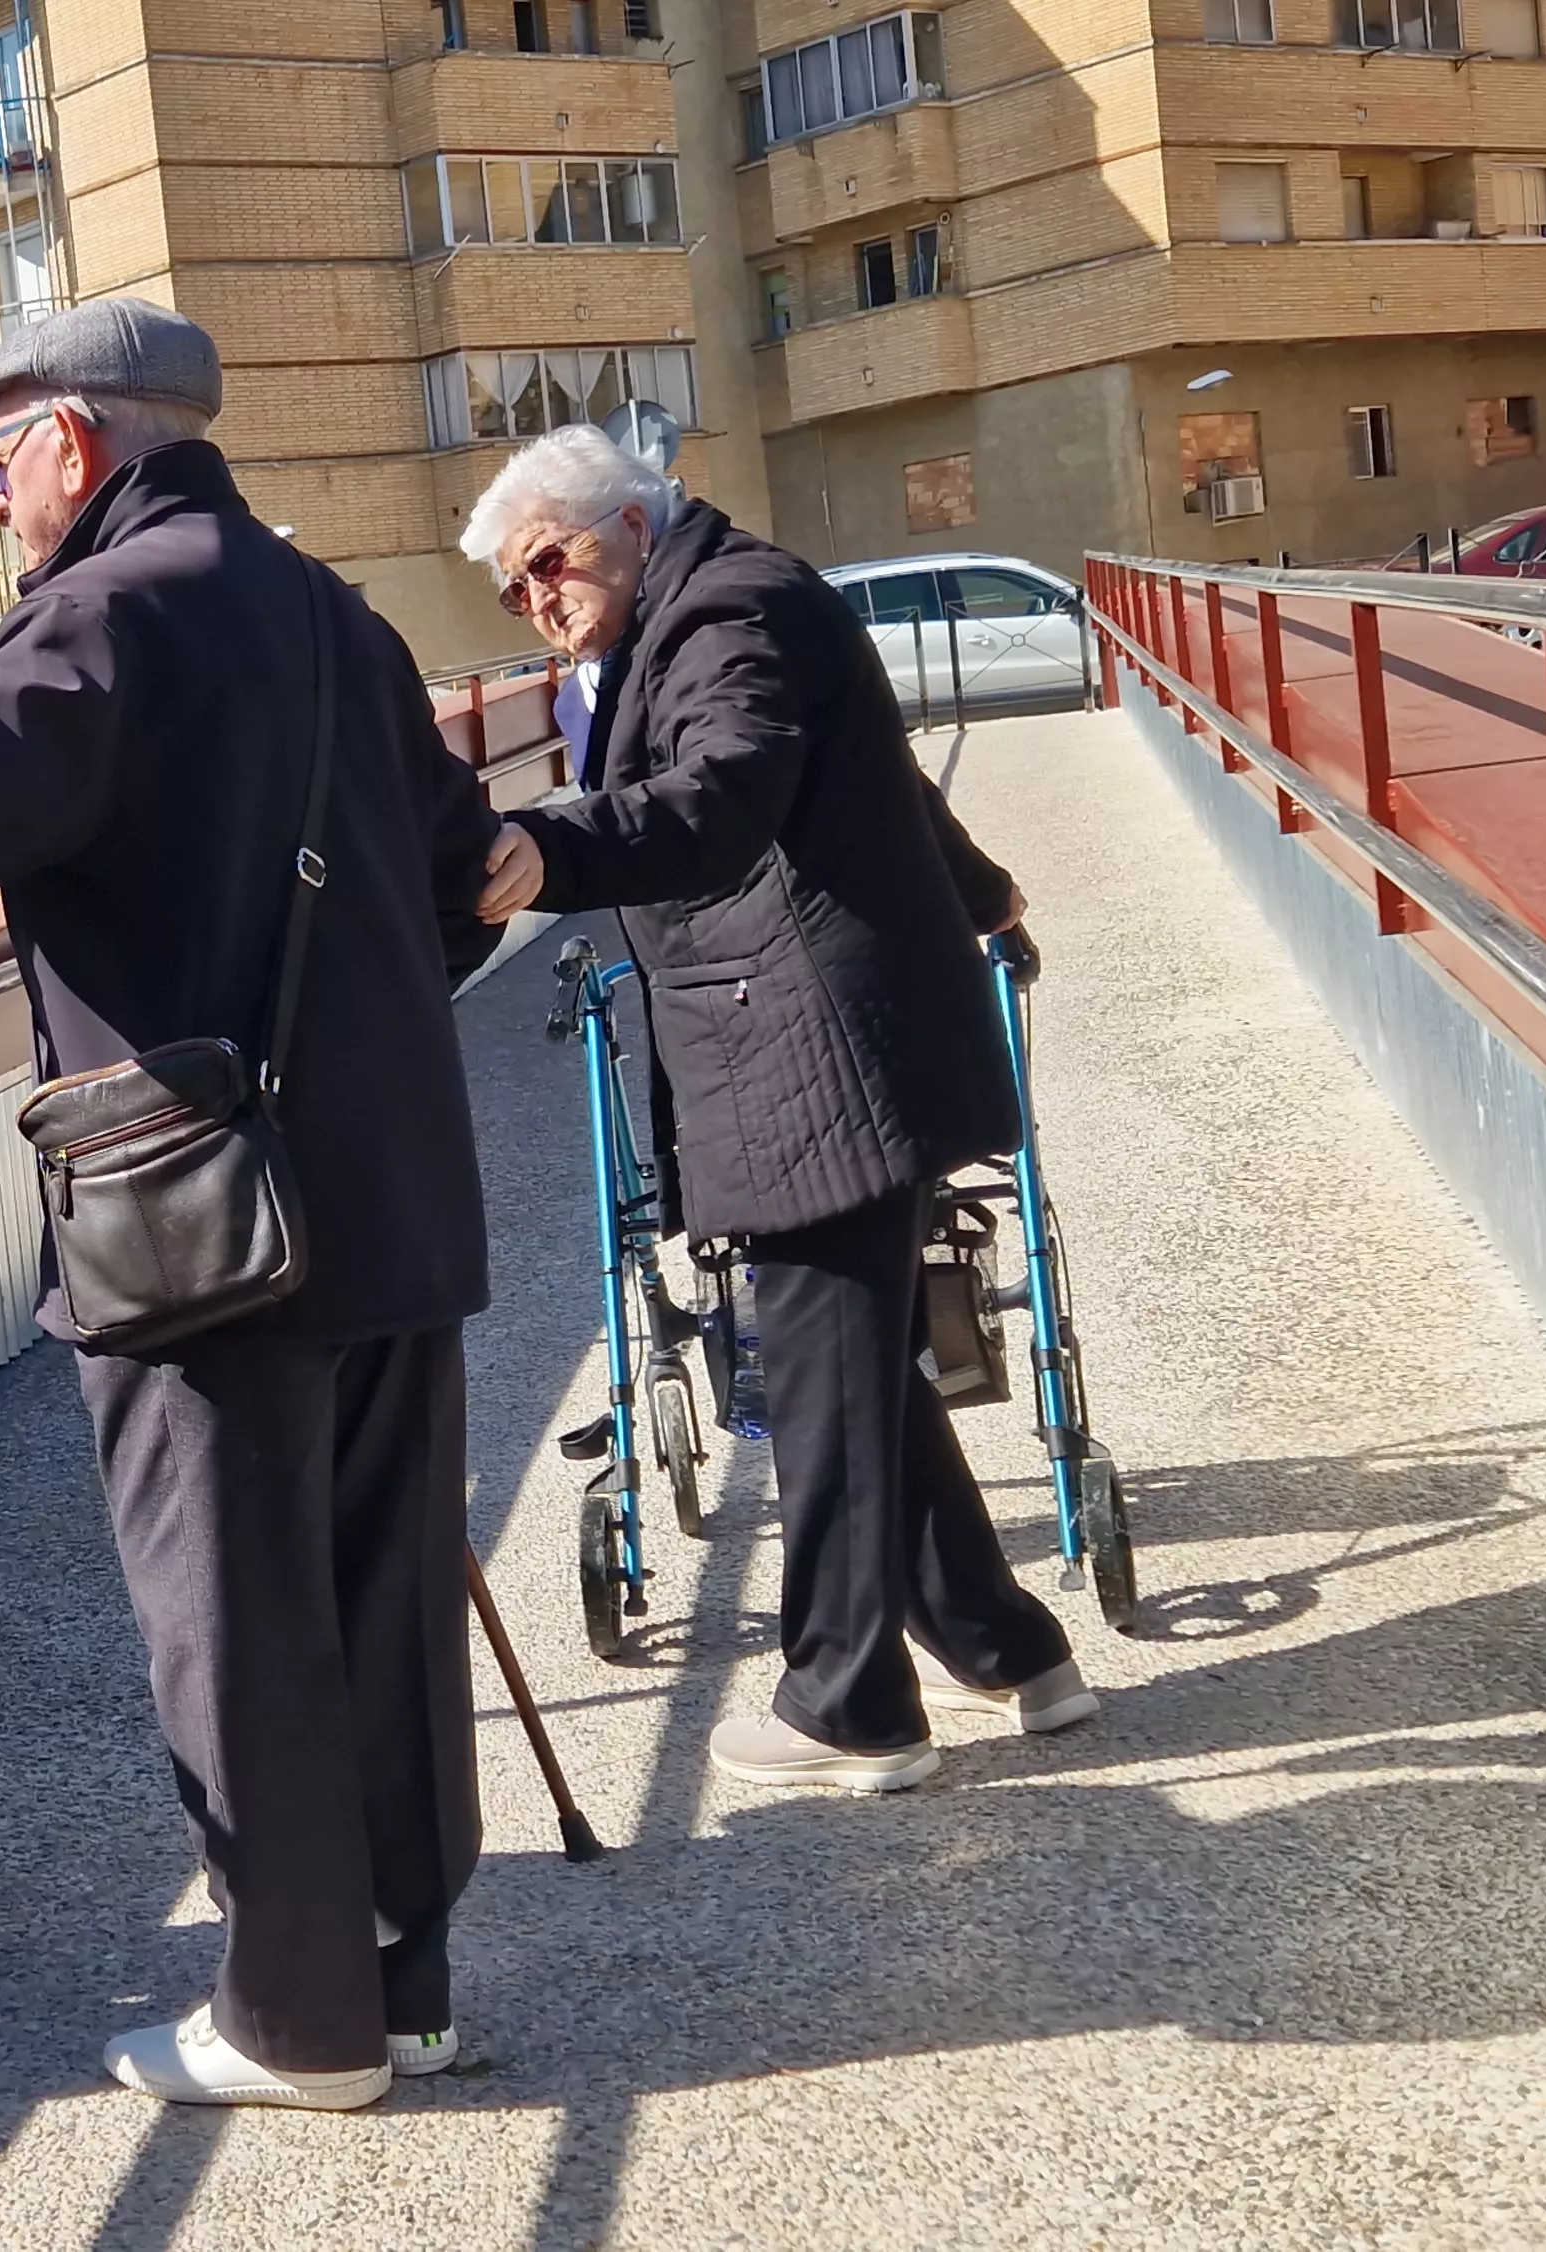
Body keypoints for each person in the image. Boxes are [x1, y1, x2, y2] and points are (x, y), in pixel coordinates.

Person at [0, 299, 506, 2112]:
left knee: (237, 1609)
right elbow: (468, 879)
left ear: (69, 440)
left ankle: (295, 2024)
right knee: (380, 1600)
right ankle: (407, 1985)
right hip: (389, 1191)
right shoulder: (329, 610)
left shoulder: (108, 612)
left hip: (200, 1222)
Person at [465, 422, 1101, 1794]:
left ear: (629, 526)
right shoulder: (718, 603)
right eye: (514, 591)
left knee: (819, 1374)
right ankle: (1007, 1649)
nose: (538, 602)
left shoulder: (727, 612)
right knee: (858, 1362)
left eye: (548, 566)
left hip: (815, 1050)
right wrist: (980, 888)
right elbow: (879, 787)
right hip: (822, 1038)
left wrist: (547, 848)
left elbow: (723, 797)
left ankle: (848, 1707)